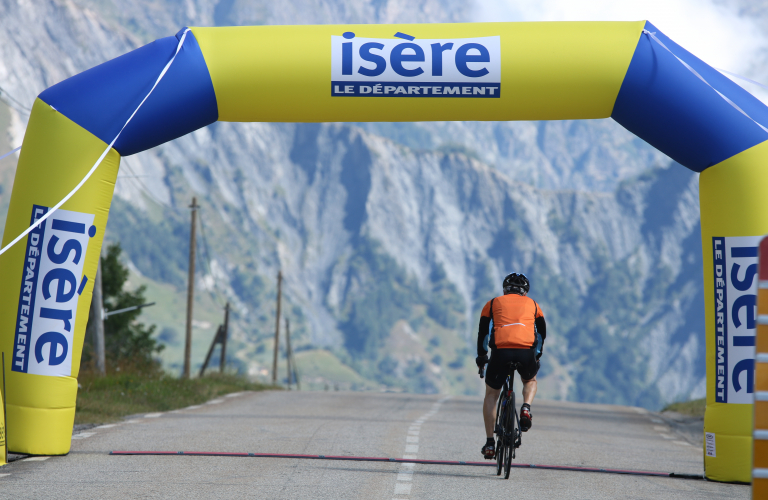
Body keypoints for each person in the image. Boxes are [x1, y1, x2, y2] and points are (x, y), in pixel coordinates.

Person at [476, 272, 546, 459]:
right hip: (525, 352)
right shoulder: (533, 305)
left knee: (492, 394)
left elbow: (483, 334)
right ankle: (526, 407)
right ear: (525, 291)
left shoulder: (491, 304)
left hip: (500, 352)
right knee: (530, 380)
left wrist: (482, 357)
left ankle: (490, 443)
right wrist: (537, 355)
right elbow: (541, 334)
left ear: (505, 290)